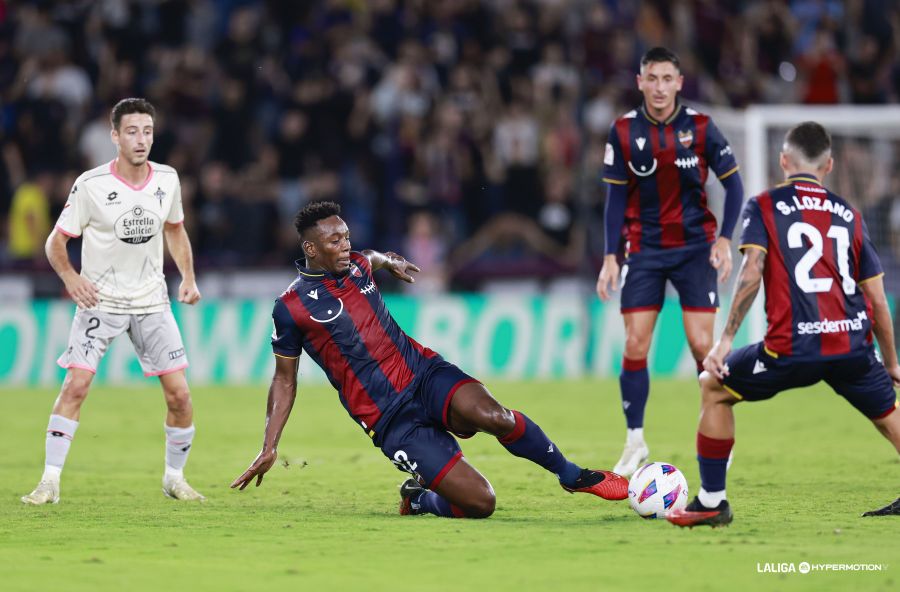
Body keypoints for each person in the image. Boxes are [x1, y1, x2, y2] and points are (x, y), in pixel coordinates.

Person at [230, 201, 628, 518]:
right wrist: (270, 445)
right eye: (334, 242)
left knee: (495, 416)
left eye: (346, 236)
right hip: (388, 418)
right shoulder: (291, 307)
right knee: (480, 503)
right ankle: (419, 500)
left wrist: (392, 259)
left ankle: (572, 475)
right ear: (311, 249)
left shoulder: (357, 264)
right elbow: (284, 379)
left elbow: (373, 256)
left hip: (422, 373)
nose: (345, 246)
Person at [667, 122, 900, 527]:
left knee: (714, 387)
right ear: (829, 165)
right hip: (851, 347)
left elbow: (752, 270)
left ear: (782, 161)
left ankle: (712, 502)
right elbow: (877, 299)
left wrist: (724, 341)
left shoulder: (765, 205)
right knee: (888, 415)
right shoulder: (850, 214)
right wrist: (892, 363)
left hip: (792, 347)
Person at [21, 98, 205, 504]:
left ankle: (174, 478)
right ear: (115, 136)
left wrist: (188, 278)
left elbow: (175, 229)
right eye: (132, 132)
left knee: (180, 396)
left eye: (148, 131)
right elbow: (56, 241)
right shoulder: (91, 185)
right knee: (76, 386)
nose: (141, 140)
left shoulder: (168, 179)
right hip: (100, 302)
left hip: (152, 301)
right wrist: (70, 277)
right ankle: (49, 481)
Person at [596, 47, 745, 476]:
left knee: (703, 344)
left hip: (696, 249)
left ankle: (716, 431)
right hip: (643, 249)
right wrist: (610, 255)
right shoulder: (623, 131)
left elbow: (734, 188)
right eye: (652, 78)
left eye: (667, 79)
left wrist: (724, 240)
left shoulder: (700, 127)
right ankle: (634, 441)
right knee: (635, 344)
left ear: (680, 82)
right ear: (639, 81)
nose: (659, 87)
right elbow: (615, 198)